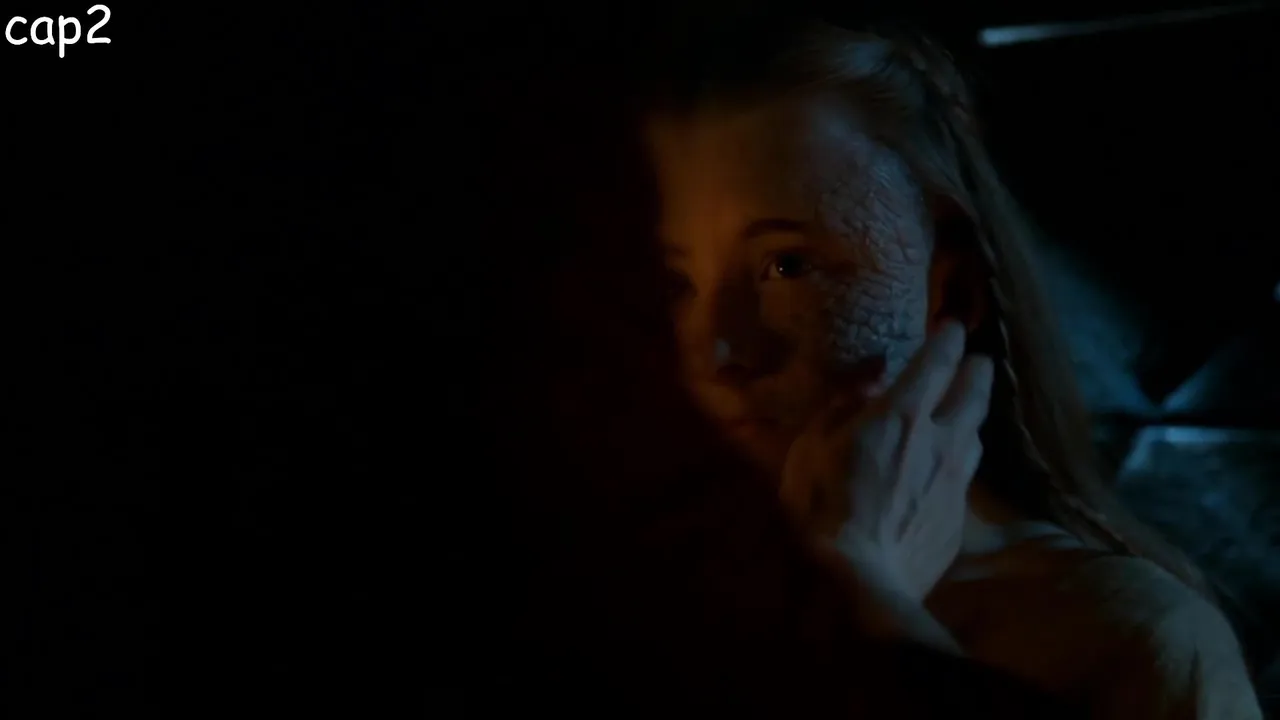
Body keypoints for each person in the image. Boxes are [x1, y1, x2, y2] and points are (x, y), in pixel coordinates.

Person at [641, 15, 1264, 718]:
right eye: (675, 282)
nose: (715, 349)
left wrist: (860, 596)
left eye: (789, 265)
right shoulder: (626, 599)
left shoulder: (1124, 641)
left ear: (952, 287)